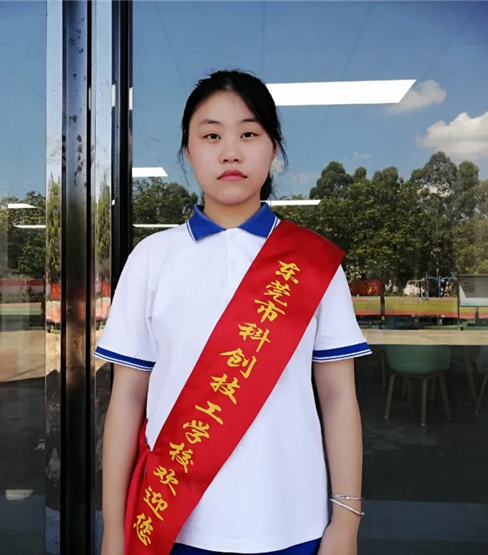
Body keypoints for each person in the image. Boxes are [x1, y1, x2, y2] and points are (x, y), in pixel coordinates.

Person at [95, 69, 370, 555]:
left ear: (273, 149)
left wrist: (345, 525)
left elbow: (338, 398)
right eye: (211, 136)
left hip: (294, 523)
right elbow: (127, 400)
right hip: (171, 525)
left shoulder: (315, 262)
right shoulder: (152, 259)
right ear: (187, 151)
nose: (230, 152)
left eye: (248, 134)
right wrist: (114, 531)